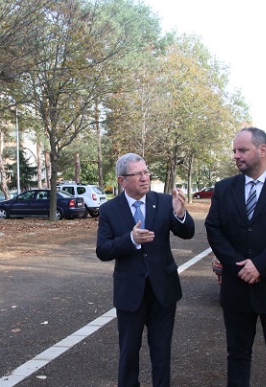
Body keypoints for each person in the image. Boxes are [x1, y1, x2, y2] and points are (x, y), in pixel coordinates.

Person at [204, 128, 266, 387]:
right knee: (237, 355)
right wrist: (238, 265)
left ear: (262, 151)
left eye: (242, 150)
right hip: (237, 289)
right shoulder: (224, 188)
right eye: (234, 151)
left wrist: (260, 265)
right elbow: (214, 229)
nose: (236, 156)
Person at [96, 153, 196, 387]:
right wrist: (130, 239)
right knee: (128, 354)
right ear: (122, 180)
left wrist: (180, 215)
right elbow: (103, 250)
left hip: (163, 291)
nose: (144, 177)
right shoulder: (110, 209)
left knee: (161, 354)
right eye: (138, 174)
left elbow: (187, 232)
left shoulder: (162, 201)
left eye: (146, 172)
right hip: (130, 293)